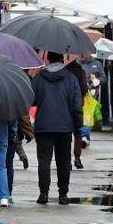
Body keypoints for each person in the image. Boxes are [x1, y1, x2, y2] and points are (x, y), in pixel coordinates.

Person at [32, 53, 84, 205]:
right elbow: (77, 105)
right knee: (64, 161)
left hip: (43, 126)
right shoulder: (71, 79)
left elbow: (31, 99)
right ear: (62, 59)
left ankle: (43, 193)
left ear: (48, 59)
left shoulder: (39, 78)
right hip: (64, 126)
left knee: (44, 161)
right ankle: (63, 194)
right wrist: (78, 126)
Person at [67, 56, 92, 170]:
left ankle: (67, 159)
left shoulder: (64, 71)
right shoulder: (80, 71)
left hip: (65, 105)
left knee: (66, 134)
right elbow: (84, 89)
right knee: (77, 133)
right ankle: (77, 158)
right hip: (77, 105)